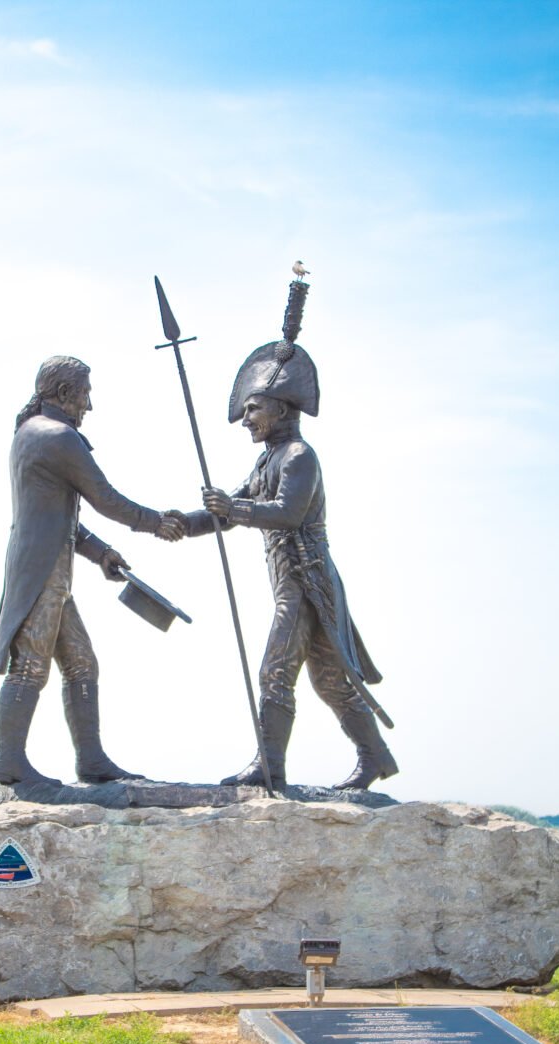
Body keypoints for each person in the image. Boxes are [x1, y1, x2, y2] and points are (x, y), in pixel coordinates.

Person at [181, 283, 398, 792]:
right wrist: (175, 523)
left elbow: (285, 512)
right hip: (291, 582)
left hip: (306, 580)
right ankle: (376, 758)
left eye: (253, 409)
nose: (246, 420)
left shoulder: (300, 457)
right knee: (329, 679)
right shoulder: (267, 460)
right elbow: (227, 514)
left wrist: (233, 507)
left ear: (279, 408)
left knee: (275, 669)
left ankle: (269, 765)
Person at [0, 355, 185, 788]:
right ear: (63, 394)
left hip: (50, 571)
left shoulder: (32, 433)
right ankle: (8, 761)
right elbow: (106, 498)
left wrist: (100, 553)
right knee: (30, 667)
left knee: (81, 664)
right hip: (42, 574)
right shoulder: (59, 437)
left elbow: (58, 517)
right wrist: (157, 523)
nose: (89, 406)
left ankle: (91, 760)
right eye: (85, 394)